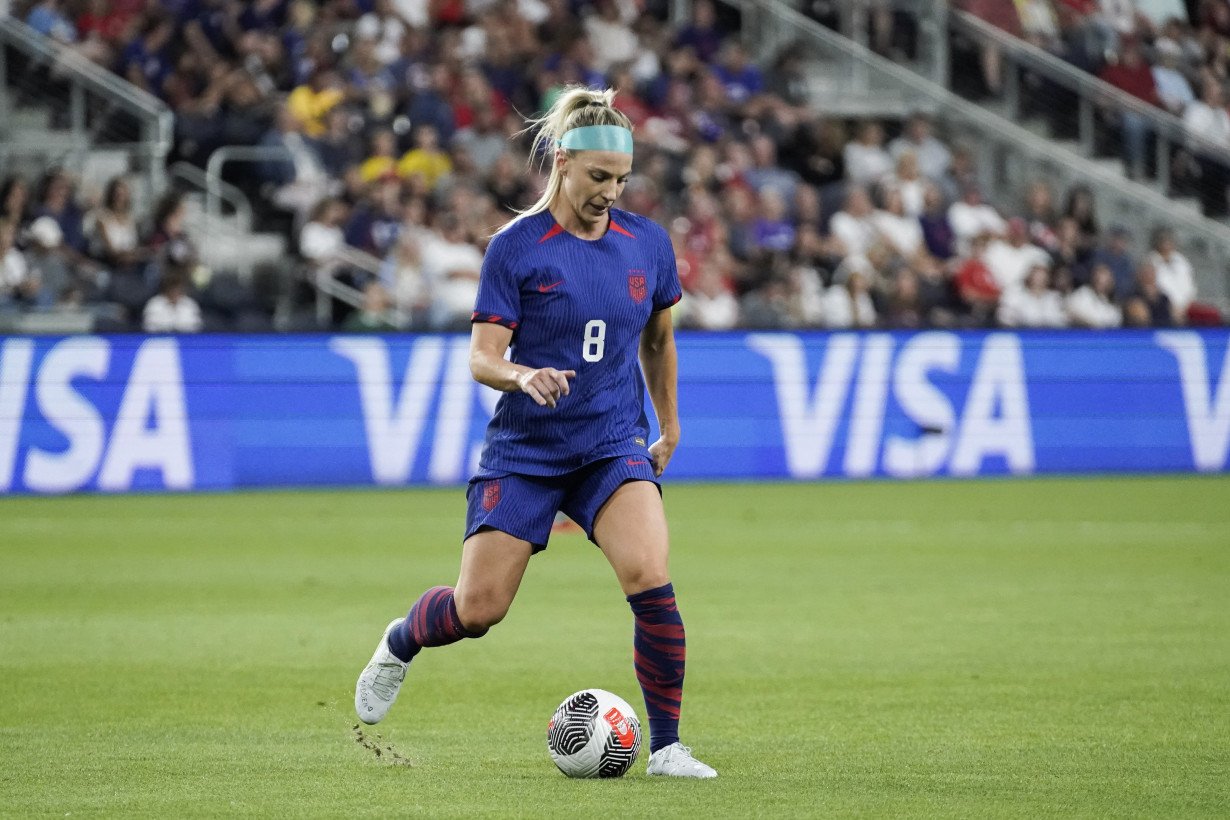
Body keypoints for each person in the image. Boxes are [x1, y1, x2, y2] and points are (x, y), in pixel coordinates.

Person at [353, 86, 717, 779]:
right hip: (527, 452)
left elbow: (660, 340)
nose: (610, 192)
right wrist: (522, 376)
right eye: (598, 178)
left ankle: (667, 747)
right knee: (479, 609)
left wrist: (668, 425)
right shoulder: (516, 248)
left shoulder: (648, 244)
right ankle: (401, 640)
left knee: (650, 574)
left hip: (612, 444)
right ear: (561, 163)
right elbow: (482, 356)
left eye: (620, 180)